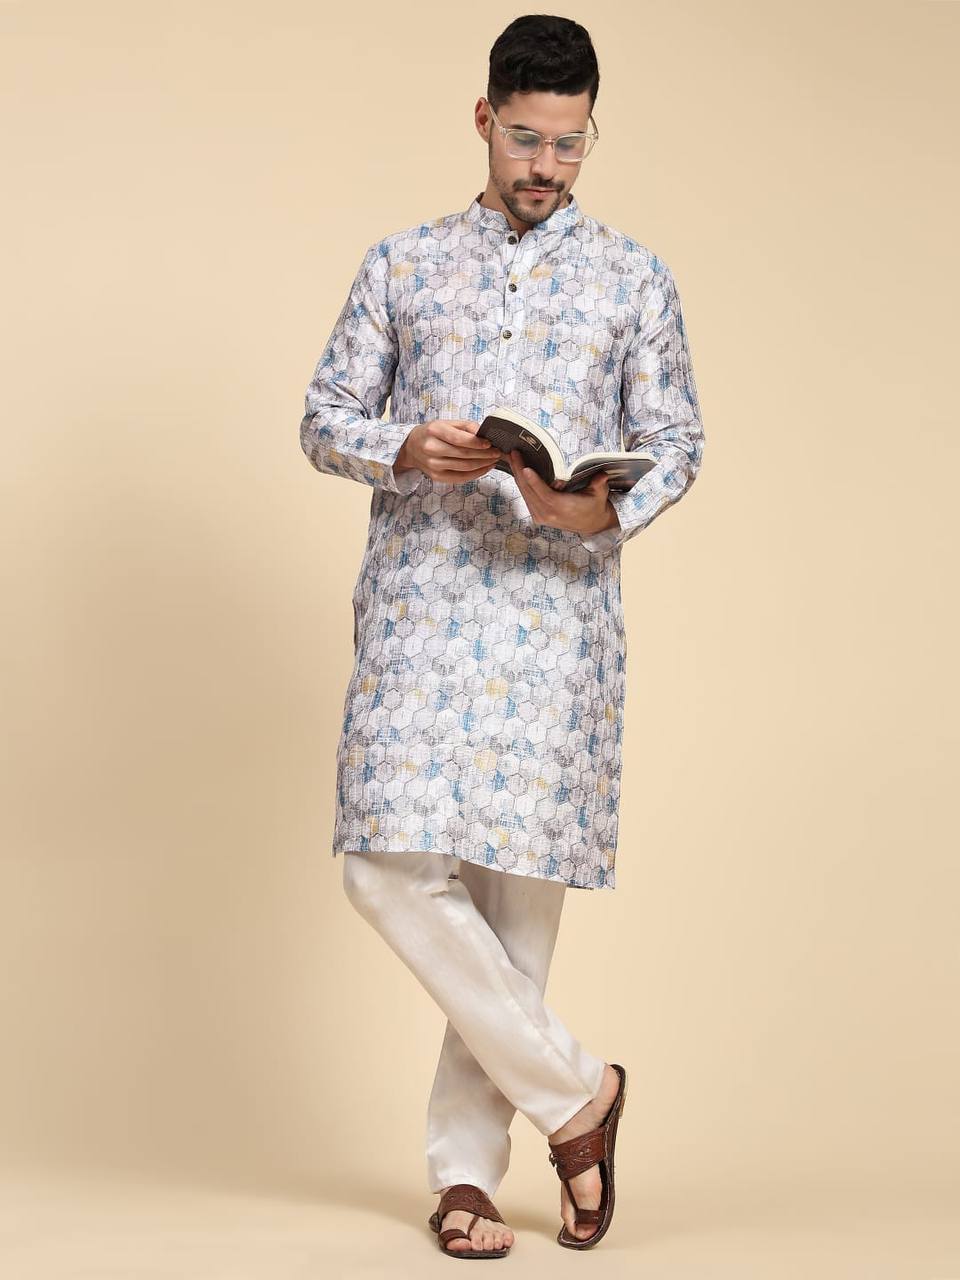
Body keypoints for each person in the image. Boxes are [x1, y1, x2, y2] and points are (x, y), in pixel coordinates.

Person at [298, 14, 705, 1257]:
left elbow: (678, 441)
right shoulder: (403, 264)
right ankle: (580, 1096)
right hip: (423, 599)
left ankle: (466, 1176)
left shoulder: (634, 279)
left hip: (555, 618)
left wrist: (599, 505)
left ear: (591, 132)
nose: (545, 165)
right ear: (484, 118)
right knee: (385, 865)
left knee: (516, 910)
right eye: (525, 138)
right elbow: (322, 415)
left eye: (568, 144)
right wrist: (400, 444)